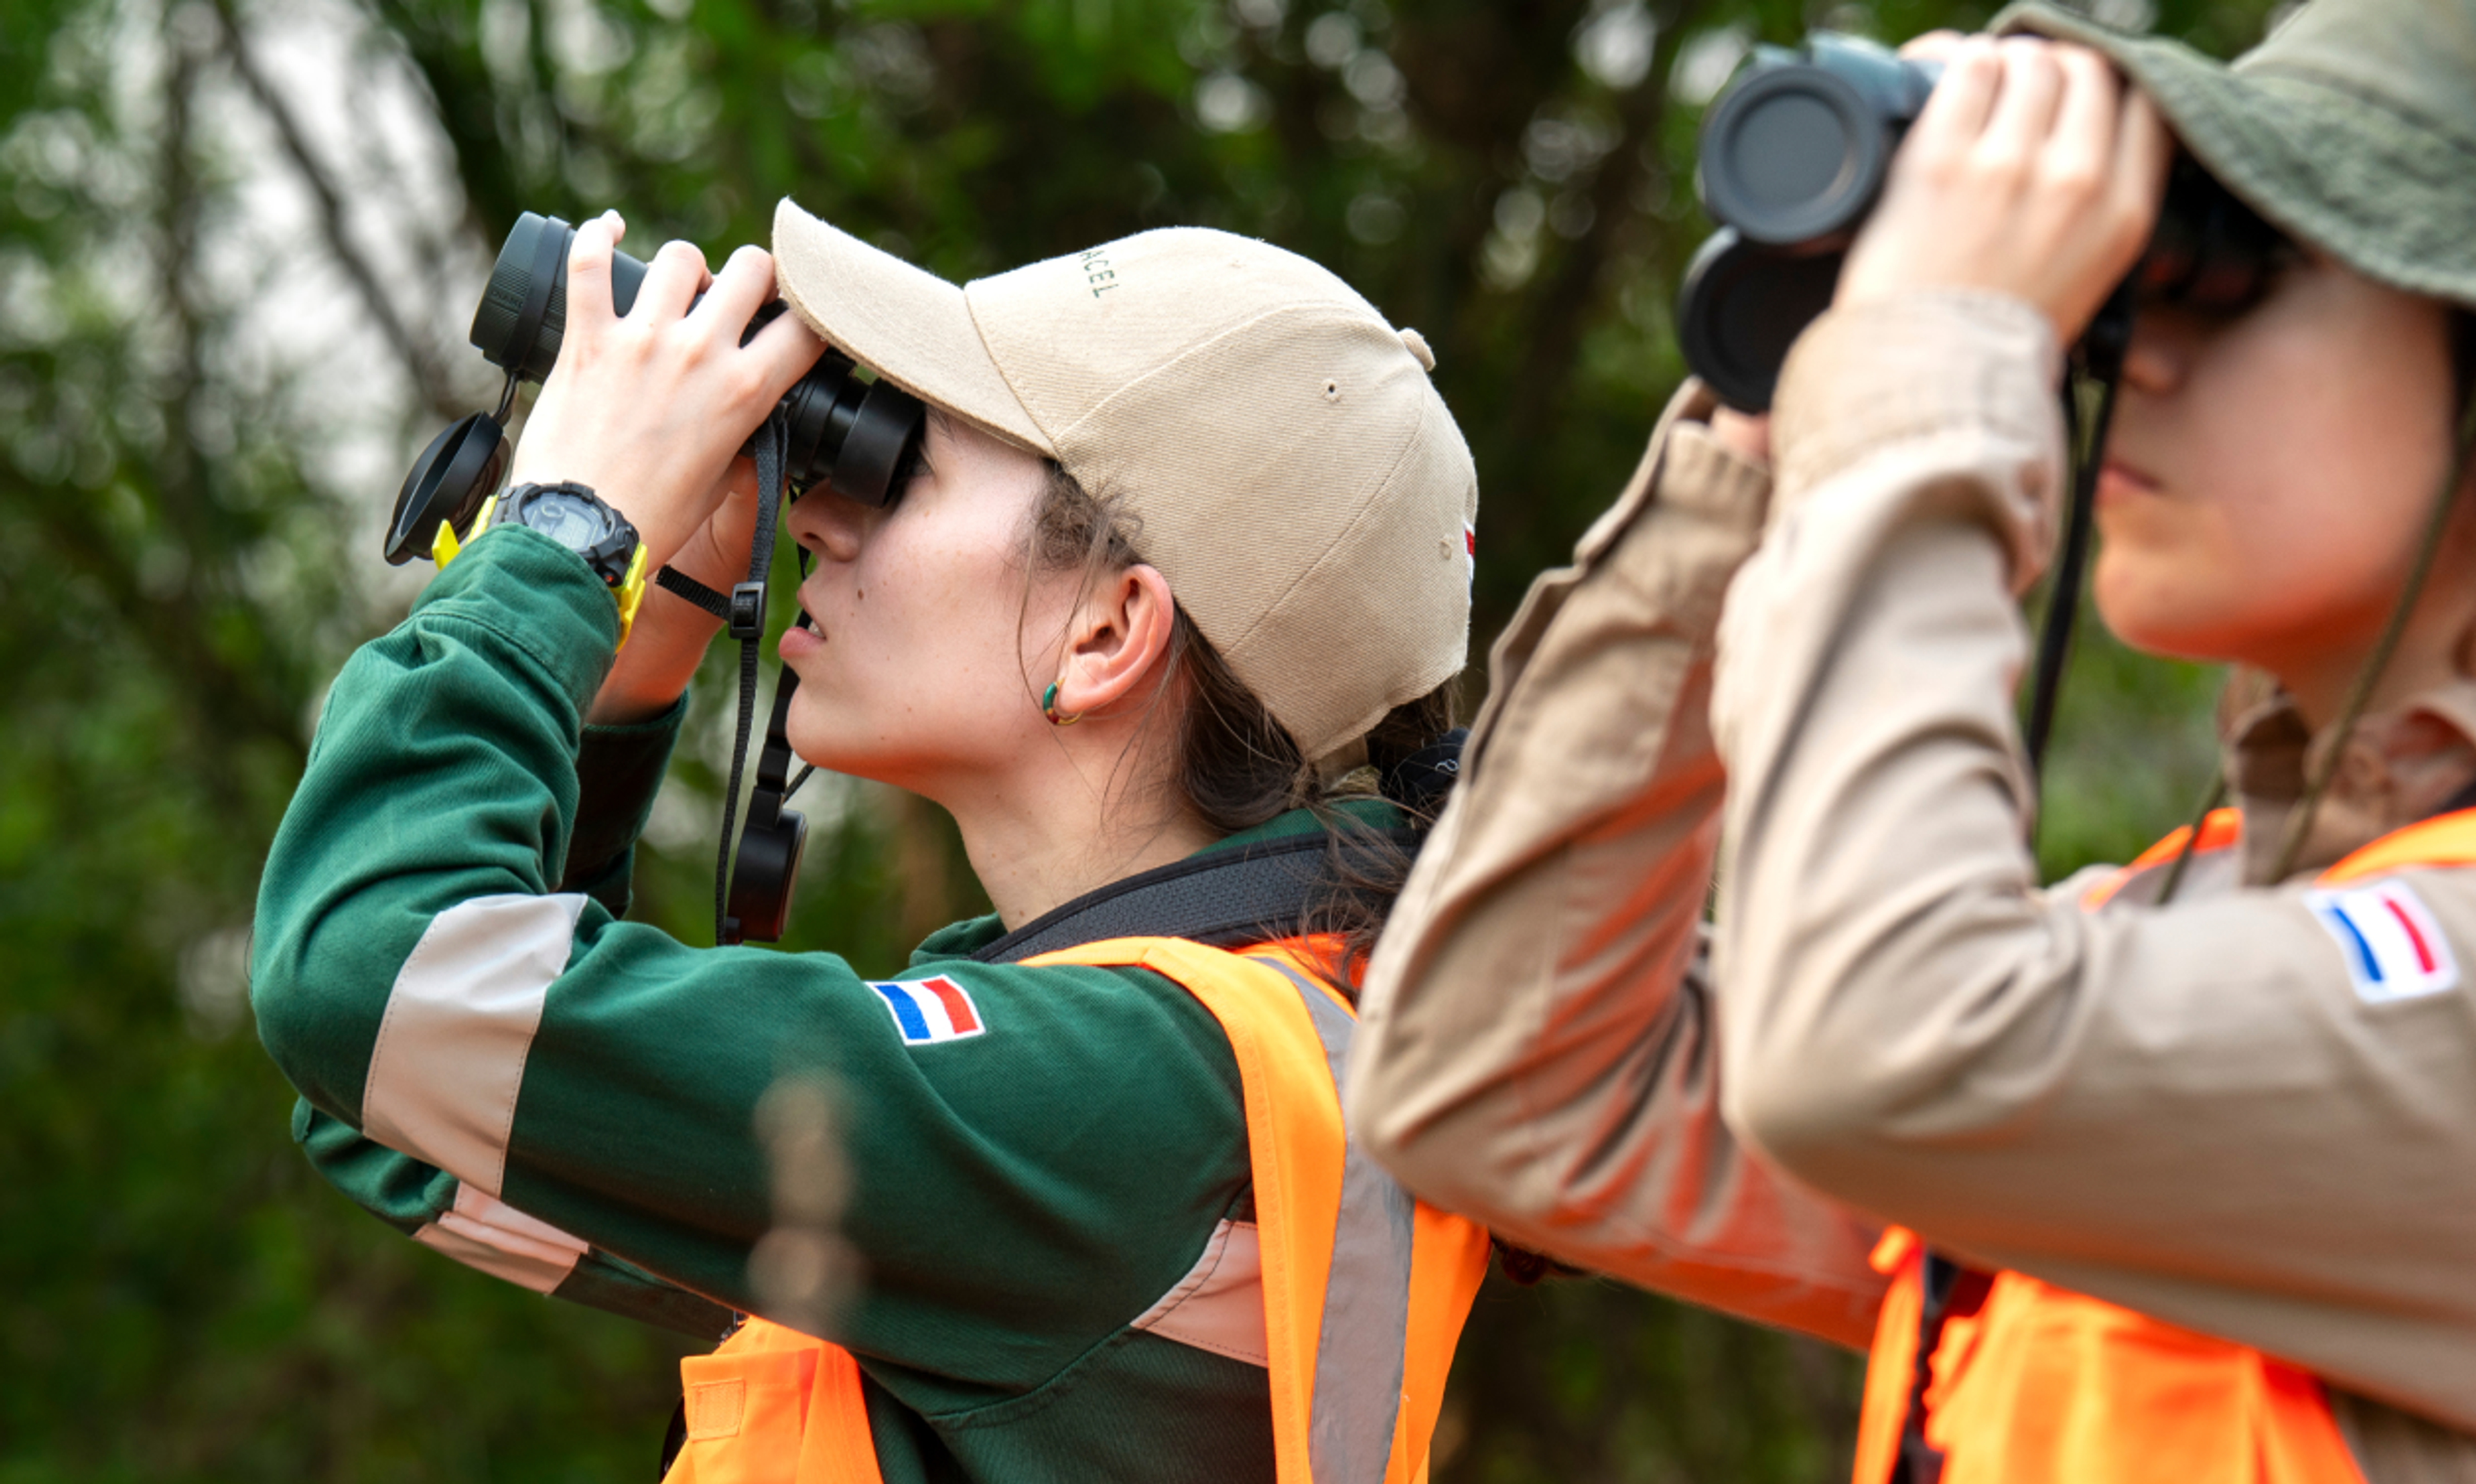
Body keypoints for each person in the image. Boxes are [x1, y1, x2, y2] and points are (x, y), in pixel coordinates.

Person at [1346, 1, 2476, 1479]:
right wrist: (1772, 430)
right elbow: (1511, 1083)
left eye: (2229, 269)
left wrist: (1914, 386)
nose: (2123, 349)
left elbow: (1883, 1046)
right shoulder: (2184, 928)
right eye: (2140, 277)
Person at [248, 201, 1494, 1483]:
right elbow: (406, 1114)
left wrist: (563, 536)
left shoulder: (1125, 1100)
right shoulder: (1178, 1061)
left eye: (906, 465)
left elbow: (366, 975)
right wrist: (635, 660)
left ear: (1109, 631)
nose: (819, 517)